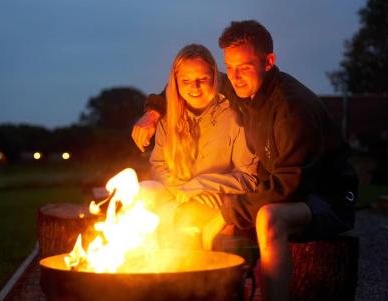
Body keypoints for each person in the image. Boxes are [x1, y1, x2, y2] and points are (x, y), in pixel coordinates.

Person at [132, 20, 358, 301]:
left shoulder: (291, 109)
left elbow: (288, 187)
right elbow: (185, 80)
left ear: (268, 62)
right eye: (230, 67)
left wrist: (227, 212)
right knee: (176, 211)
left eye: (244, 67)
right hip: (285, 190)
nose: (235, 77)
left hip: (325, 197)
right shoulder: (243, 87)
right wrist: (153, 112)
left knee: (268, 217)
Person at [138, 43, 257, 251]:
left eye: (202, 79)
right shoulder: (168, 117)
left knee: (183, 220)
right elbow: (158, 164)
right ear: (176, 82)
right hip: (177, 193)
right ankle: (145, 271)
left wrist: (201, 185)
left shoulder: (235, 114)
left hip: (219, 199)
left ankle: (191, 275)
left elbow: (248, 178)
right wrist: (178, 189)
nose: (194, 86)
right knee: (142, 193)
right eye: (186, 80)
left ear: (215, 77)